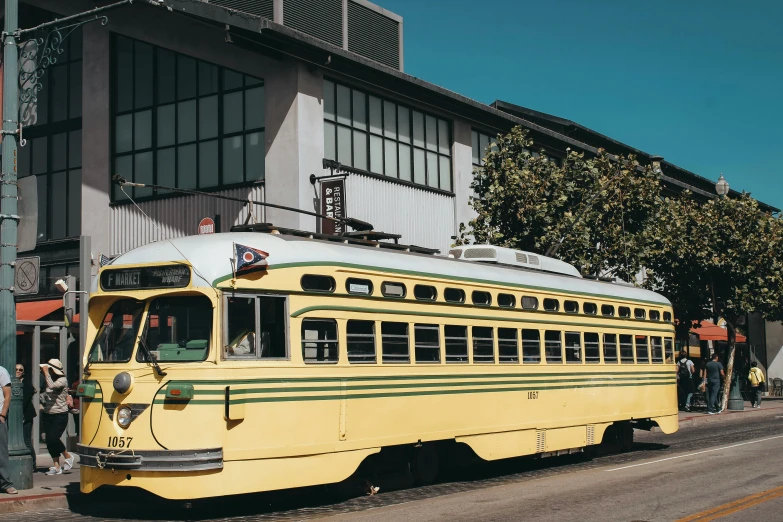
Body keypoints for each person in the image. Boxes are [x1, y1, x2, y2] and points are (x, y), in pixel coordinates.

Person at [40, 359, 75, 475]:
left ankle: (68, 456)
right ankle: (56, 466)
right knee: (49, 442)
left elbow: (51, 386)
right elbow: (45, 393)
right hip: (47, 414)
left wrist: (46, 373)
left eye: (49, 369)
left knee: (53, 438)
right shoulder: (48, 378)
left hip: (60, 414)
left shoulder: (62, 380)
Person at [16, 364, 36, 473]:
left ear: (23, 372)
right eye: (16, 369)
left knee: (26, 440)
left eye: (20, 370)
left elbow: (24, 401)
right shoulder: (11, 383)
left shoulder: (26, 384)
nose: (18, 371)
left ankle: (32, 464)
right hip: (16, 417)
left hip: (26, 416)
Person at [0, 365, 17, 494]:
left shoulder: (1, 371)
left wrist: (2, 415)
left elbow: (8, 396)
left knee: (1, 452)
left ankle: (5, 483)